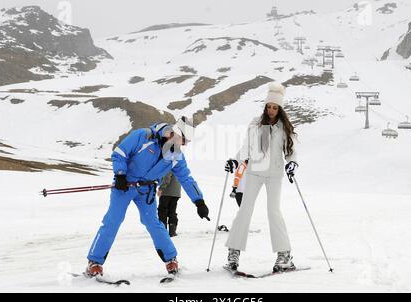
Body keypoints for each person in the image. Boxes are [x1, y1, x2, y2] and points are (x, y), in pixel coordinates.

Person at [85, 117, 210, 277]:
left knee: (152, 222)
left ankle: (171, 259)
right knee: (113, 220)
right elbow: (120, 153)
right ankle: (94, 262)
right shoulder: (144, 136)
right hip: (125, 186)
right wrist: (121, 175)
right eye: (183, 140)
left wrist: (199, 201)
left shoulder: (176, 155)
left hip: (147, 190)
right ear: (173, 133)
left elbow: (186, 178)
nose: (184, 145)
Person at [224, 82, 299, 273]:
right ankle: (233, 252)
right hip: (255, 172)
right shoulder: (256, 124)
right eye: (269, 106)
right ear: (265, 107)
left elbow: (291, 151)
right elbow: (246, 148)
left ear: (280, 109)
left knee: (273, 211)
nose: (272, 110)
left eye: (275, 107)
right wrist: (235, 160)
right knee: (245, 210)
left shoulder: (284, 128)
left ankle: (284, 254)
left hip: (274, 175)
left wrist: (292, 163)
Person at [157, 171, 181, 237]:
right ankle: (172, 231)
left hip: (167, 192)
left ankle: (163, 232)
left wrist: (161, 188)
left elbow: (167, 178)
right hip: (176, 193)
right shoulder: (177, 164)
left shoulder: (169, 164)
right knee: (172, 212)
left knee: (162, 211)